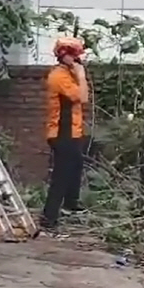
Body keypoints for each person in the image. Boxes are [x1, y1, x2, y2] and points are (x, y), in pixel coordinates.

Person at [39, 37, 89, 231]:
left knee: (76, 166)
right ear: (64, 55)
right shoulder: (59, 76)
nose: (77, 60)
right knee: (62, 173)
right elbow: (82, 97)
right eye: (74, 56)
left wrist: (78, 74)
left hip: (72, 131)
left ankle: (71, 204)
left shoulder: (68, 74)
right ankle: (49, 217)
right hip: (62, 132)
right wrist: (81, 76)